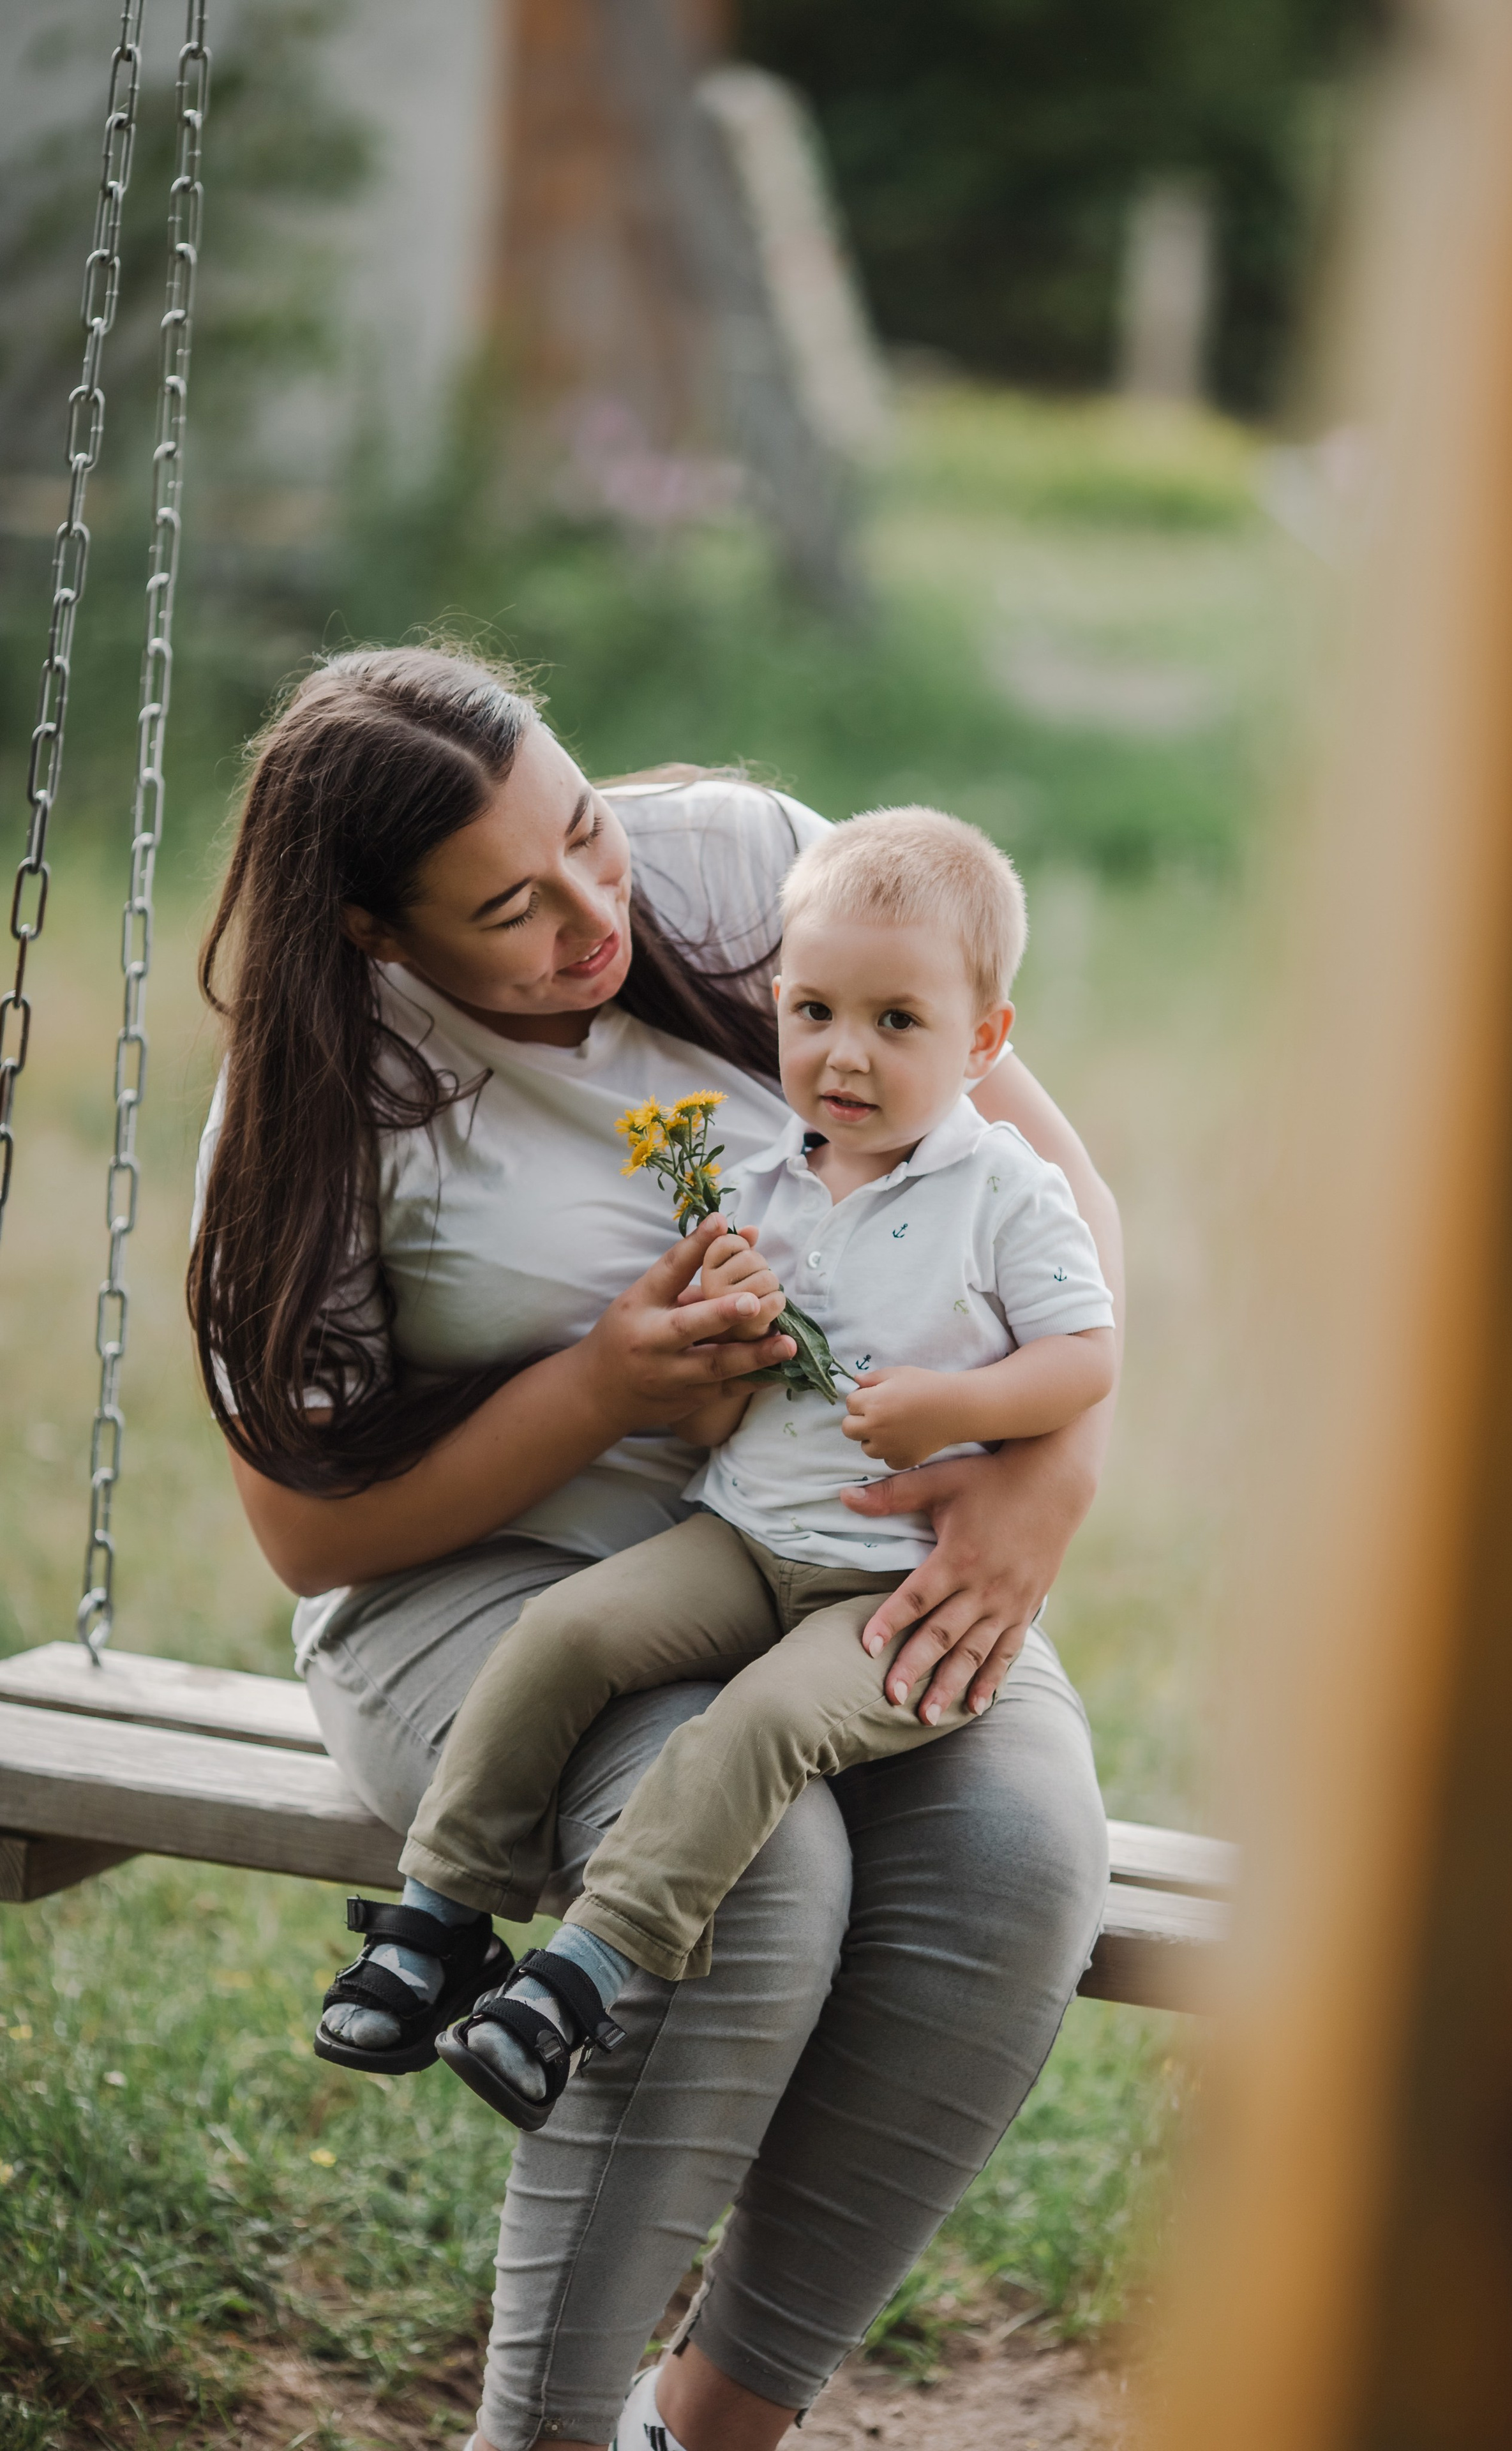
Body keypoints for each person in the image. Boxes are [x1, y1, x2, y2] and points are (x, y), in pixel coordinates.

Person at [191, 646, 1120, 2451]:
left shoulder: (742, 871)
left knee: (1014, 1860)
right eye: (514, 909)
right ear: (382, 936)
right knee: (755, 1873)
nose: (592, 913)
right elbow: (306, 1535)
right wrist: (603, 1383)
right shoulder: (319, 1094)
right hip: (484, 1587)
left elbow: (1054, 1202)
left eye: (586, 836)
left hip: (828, 1536)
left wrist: (1042, 1478)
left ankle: (705, 2428)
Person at [334, 806, 1116, 2141]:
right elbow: (713, 1428)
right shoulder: (758, 1179)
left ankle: (584, 1974)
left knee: (752, 1730)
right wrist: (722, 1366)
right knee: (565, 1631)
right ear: (774, 1011)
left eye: (897, 1023)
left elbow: (1081, 1358)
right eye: (813, 1012)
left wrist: (955, 1408)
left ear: (983, 1041)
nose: (844, 1055)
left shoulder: (1003, 1193)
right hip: (743, 1540)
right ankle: (439, 1914)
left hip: (885, 1587)